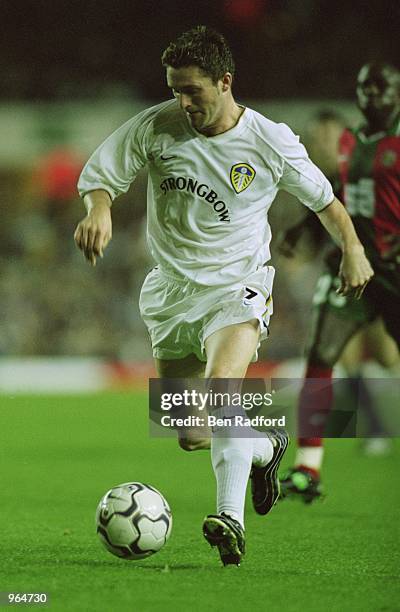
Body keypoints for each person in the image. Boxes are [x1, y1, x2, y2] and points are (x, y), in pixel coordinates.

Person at [74, 26, 373, 565]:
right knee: (189, 432)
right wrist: (98, 208)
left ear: (225, 81)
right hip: (170, 290)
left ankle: (229, 520)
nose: (182, 102)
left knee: (221, 392)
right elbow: (104, 170)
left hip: (238, 284)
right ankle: (264, 447)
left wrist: (353, 248)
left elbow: (326, 202)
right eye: (174, 90)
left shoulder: (269, 140)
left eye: (192, 91)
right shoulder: (158, 125)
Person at [279, 62, 400, 503]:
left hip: (396, 269)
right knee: (321, 353)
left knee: (386, 360)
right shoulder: (350, 141)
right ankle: (307, 470)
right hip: (353, 266)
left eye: (383, 89)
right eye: (367, 88)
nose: (375, 97)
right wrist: (304, 228)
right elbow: (335, 193)